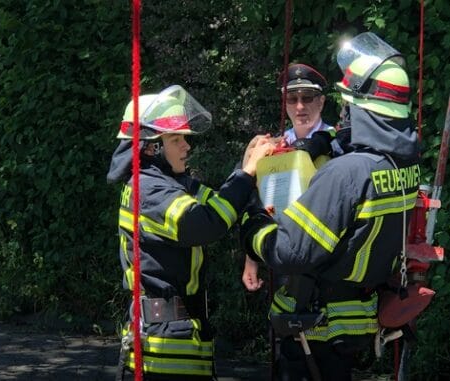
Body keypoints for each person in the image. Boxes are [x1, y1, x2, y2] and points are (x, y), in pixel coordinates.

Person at [239, 32, 421, 380]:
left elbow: (292, 252)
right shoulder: (401, 168)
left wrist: (254, 224)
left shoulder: (346, 172)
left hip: (313, 325)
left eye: (348, 104)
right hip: (355, 321)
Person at [106, 84, 273, 380]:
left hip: (180, 337)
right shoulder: (149, 191)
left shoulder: (173, 186)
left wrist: (246, 164)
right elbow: (204, 225)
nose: (187, 146)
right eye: (176, 139)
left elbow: (223, 204)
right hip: (162, 350)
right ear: (151, 147)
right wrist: (246, 175)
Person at [241, 63, 338, 292]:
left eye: (308, 97)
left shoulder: (339, 142)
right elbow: (256, 203)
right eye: (292, 99)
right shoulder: (271, 149)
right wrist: (251, 259)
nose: (300, 106)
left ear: (322, 102)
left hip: (328, 255)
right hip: (284, 252)